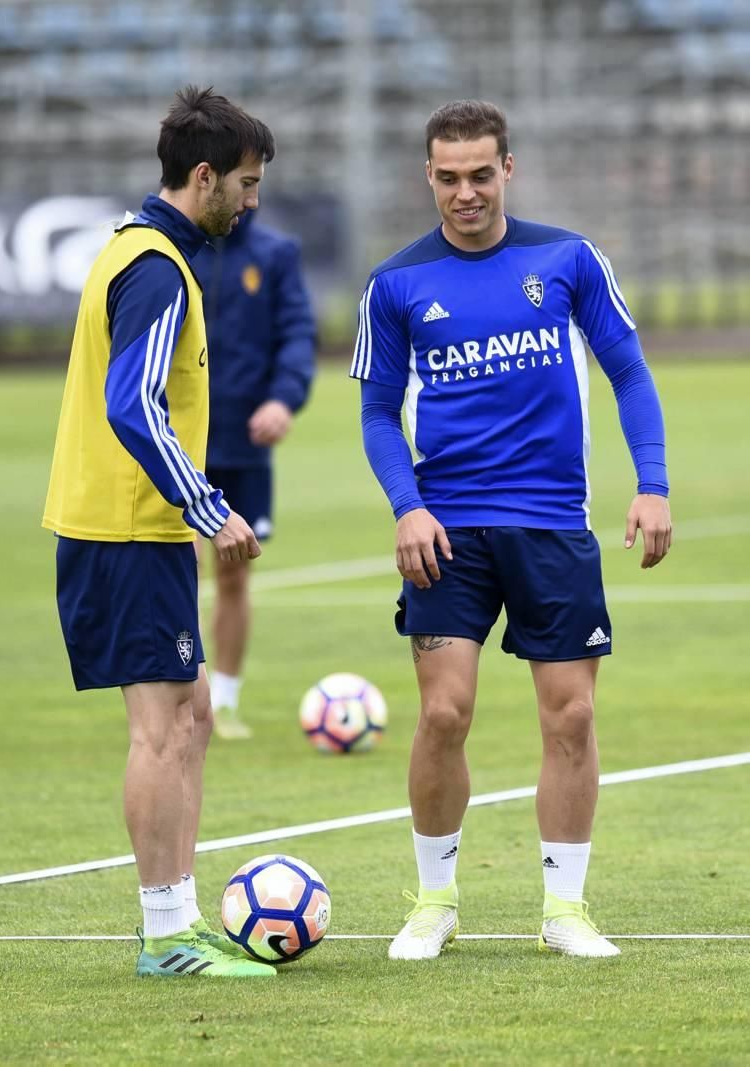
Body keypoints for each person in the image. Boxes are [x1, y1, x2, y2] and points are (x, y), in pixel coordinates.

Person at [350, 100, 671, 960]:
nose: (465, 193)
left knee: (570, 717)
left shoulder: (567, 259)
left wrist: (653, 485)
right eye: (448, 177)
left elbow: (630, 374)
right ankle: (434, 900)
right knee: (444, 713)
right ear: (428, 175)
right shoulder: (395, 284)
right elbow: (378, 412)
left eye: (480, 175)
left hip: (552, 523)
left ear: (508, 170)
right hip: (446, 529)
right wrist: (406, 504)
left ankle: (564, 910)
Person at [42, 87, 278, 979]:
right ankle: (167, 937)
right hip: (126, 530)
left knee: (194, 714)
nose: (251, 203)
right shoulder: (152, 267)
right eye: (246, 185)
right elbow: (131, 405)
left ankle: (179, 918)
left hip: (132, 529)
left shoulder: (141, 250)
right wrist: (207, 505)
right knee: (162, 730)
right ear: (205, 176)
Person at [194, 211, 316, 740]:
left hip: (245, 445)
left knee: (234, 571)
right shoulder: (175, 250)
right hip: (180, 442)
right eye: (244, 179)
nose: (250, 193)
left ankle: (223, 698)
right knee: (179, 565)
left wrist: (283, 400)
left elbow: (296, 335)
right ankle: (183, 695)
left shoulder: (275, 253)